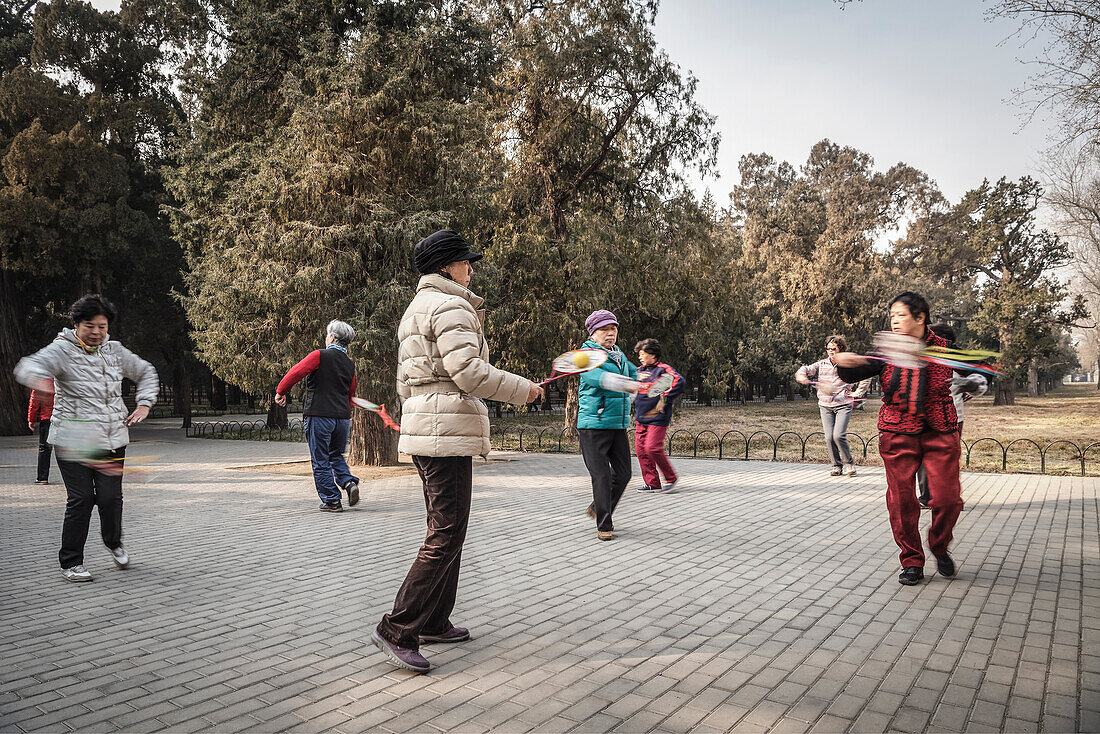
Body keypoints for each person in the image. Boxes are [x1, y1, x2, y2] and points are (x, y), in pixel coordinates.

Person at [372, 229, 542, 675]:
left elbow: (405, 383)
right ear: (446, 266)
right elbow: (467, 372)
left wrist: (416, 415)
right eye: (466, 262)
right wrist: (525, 390)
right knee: (445, 533)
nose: (472, 268)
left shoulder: (416, 309)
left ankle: (432, 619)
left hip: (430, 428)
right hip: (443, 430)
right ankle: (398, 627)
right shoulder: (450, 305)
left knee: (448, 529)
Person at [14, 294, 158, 583]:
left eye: (102, 326)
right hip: (74, 438)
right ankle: (71, 561)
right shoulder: (61, 350)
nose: (96, 332)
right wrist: (41, 380)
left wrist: (144, 403)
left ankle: (113, 542)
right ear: (77, 324)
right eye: (90, 325)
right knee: (81, 499)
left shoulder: (115, 351)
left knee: (110, 498)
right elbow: (27, 366)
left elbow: (146, 371)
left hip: (111, 437)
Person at [834, 292, 963, 586]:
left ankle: (940, 546)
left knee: (948, 499)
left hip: (940, 430)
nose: (894, 320)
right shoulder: (886, 352)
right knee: (902, 501)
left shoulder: (945, 348)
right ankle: (912, 560)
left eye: (901, 315)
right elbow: (852, 372)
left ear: (920, 318)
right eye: (892, 315)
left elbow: (978, 371)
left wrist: (978, 380)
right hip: (897, 432)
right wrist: (844, 362)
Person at [275, 320, 360, 512]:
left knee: (320, 458)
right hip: (342, 418)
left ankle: (331, 500)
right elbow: (351, 393)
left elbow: (296, 372)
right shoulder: (349, 364)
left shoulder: (319, 355)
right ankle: (348, 483)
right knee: (336, 455)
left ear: (331, 337)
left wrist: (281, 391)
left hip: (319, 415)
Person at [578, 310, 638, 541]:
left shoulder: (618, 355)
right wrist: (624, 384)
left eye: (613, 328)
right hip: (594, 424)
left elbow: (636, 373)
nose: (610, 333)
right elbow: (595, 378)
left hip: (617, 423)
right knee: (602, 475)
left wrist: (650, 382)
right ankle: (604, 523)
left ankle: (598, 506)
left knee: (623, 474)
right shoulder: (585, 354)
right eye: (604, 329)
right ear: (593, 333)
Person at [916, 323, 987, 508]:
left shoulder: (953, 361)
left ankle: (942, 498)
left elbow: (978, 379)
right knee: (934, 459)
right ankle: (932, 498)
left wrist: (970, 388)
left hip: (949, 419)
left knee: (941, 459)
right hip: (934, 418)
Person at [795, 335, 871, 477]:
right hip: (825, 405)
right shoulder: (821, 364)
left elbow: (867, 374)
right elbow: (804, 370)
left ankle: (849, 464)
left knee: (838, 435)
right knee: (829, 437)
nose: (830, 351)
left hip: (843, 404)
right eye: (828, 348)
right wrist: (802, 376)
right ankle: (837, 466)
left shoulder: (848, 363)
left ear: (840, 348)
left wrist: (858, 393)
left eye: (833, 348)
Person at [633, 338, 686, 494]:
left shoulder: (663, 369)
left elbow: (680, 382)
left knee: (652, 448)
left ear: (653, 354)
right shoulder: (638, 371)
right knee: (641, 450)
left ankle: (671, 478)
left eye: (643, 354)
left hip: (658, 417)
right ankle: (652, 483)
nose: (640, 357)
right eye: (639, 354)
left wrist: (665, 398)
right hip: (641, 417)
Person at [28, 378, 55, 484]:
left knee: (44, 448)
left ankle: (42, 478)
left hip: (46, 418)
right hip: (62, 417)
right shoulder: (62, 377)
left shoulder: (40, 379)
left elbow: (34, 401)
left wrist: (32, 419)